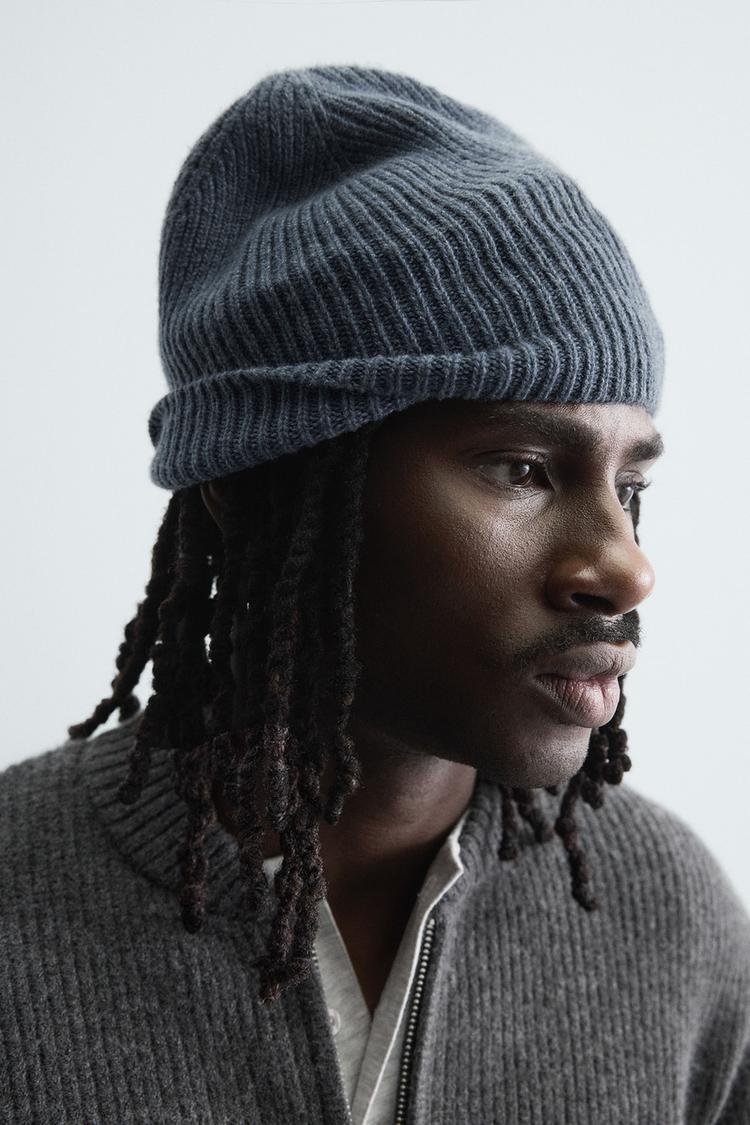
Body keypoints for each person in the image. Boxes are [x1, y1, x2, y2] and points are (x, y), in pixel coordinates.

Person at [2, 64, 748, 1125]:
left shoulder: (670, 920)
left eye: (631, 489)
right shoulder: (17, 902)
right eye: (523, 469)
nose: (628, 568)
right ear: (256, 488)